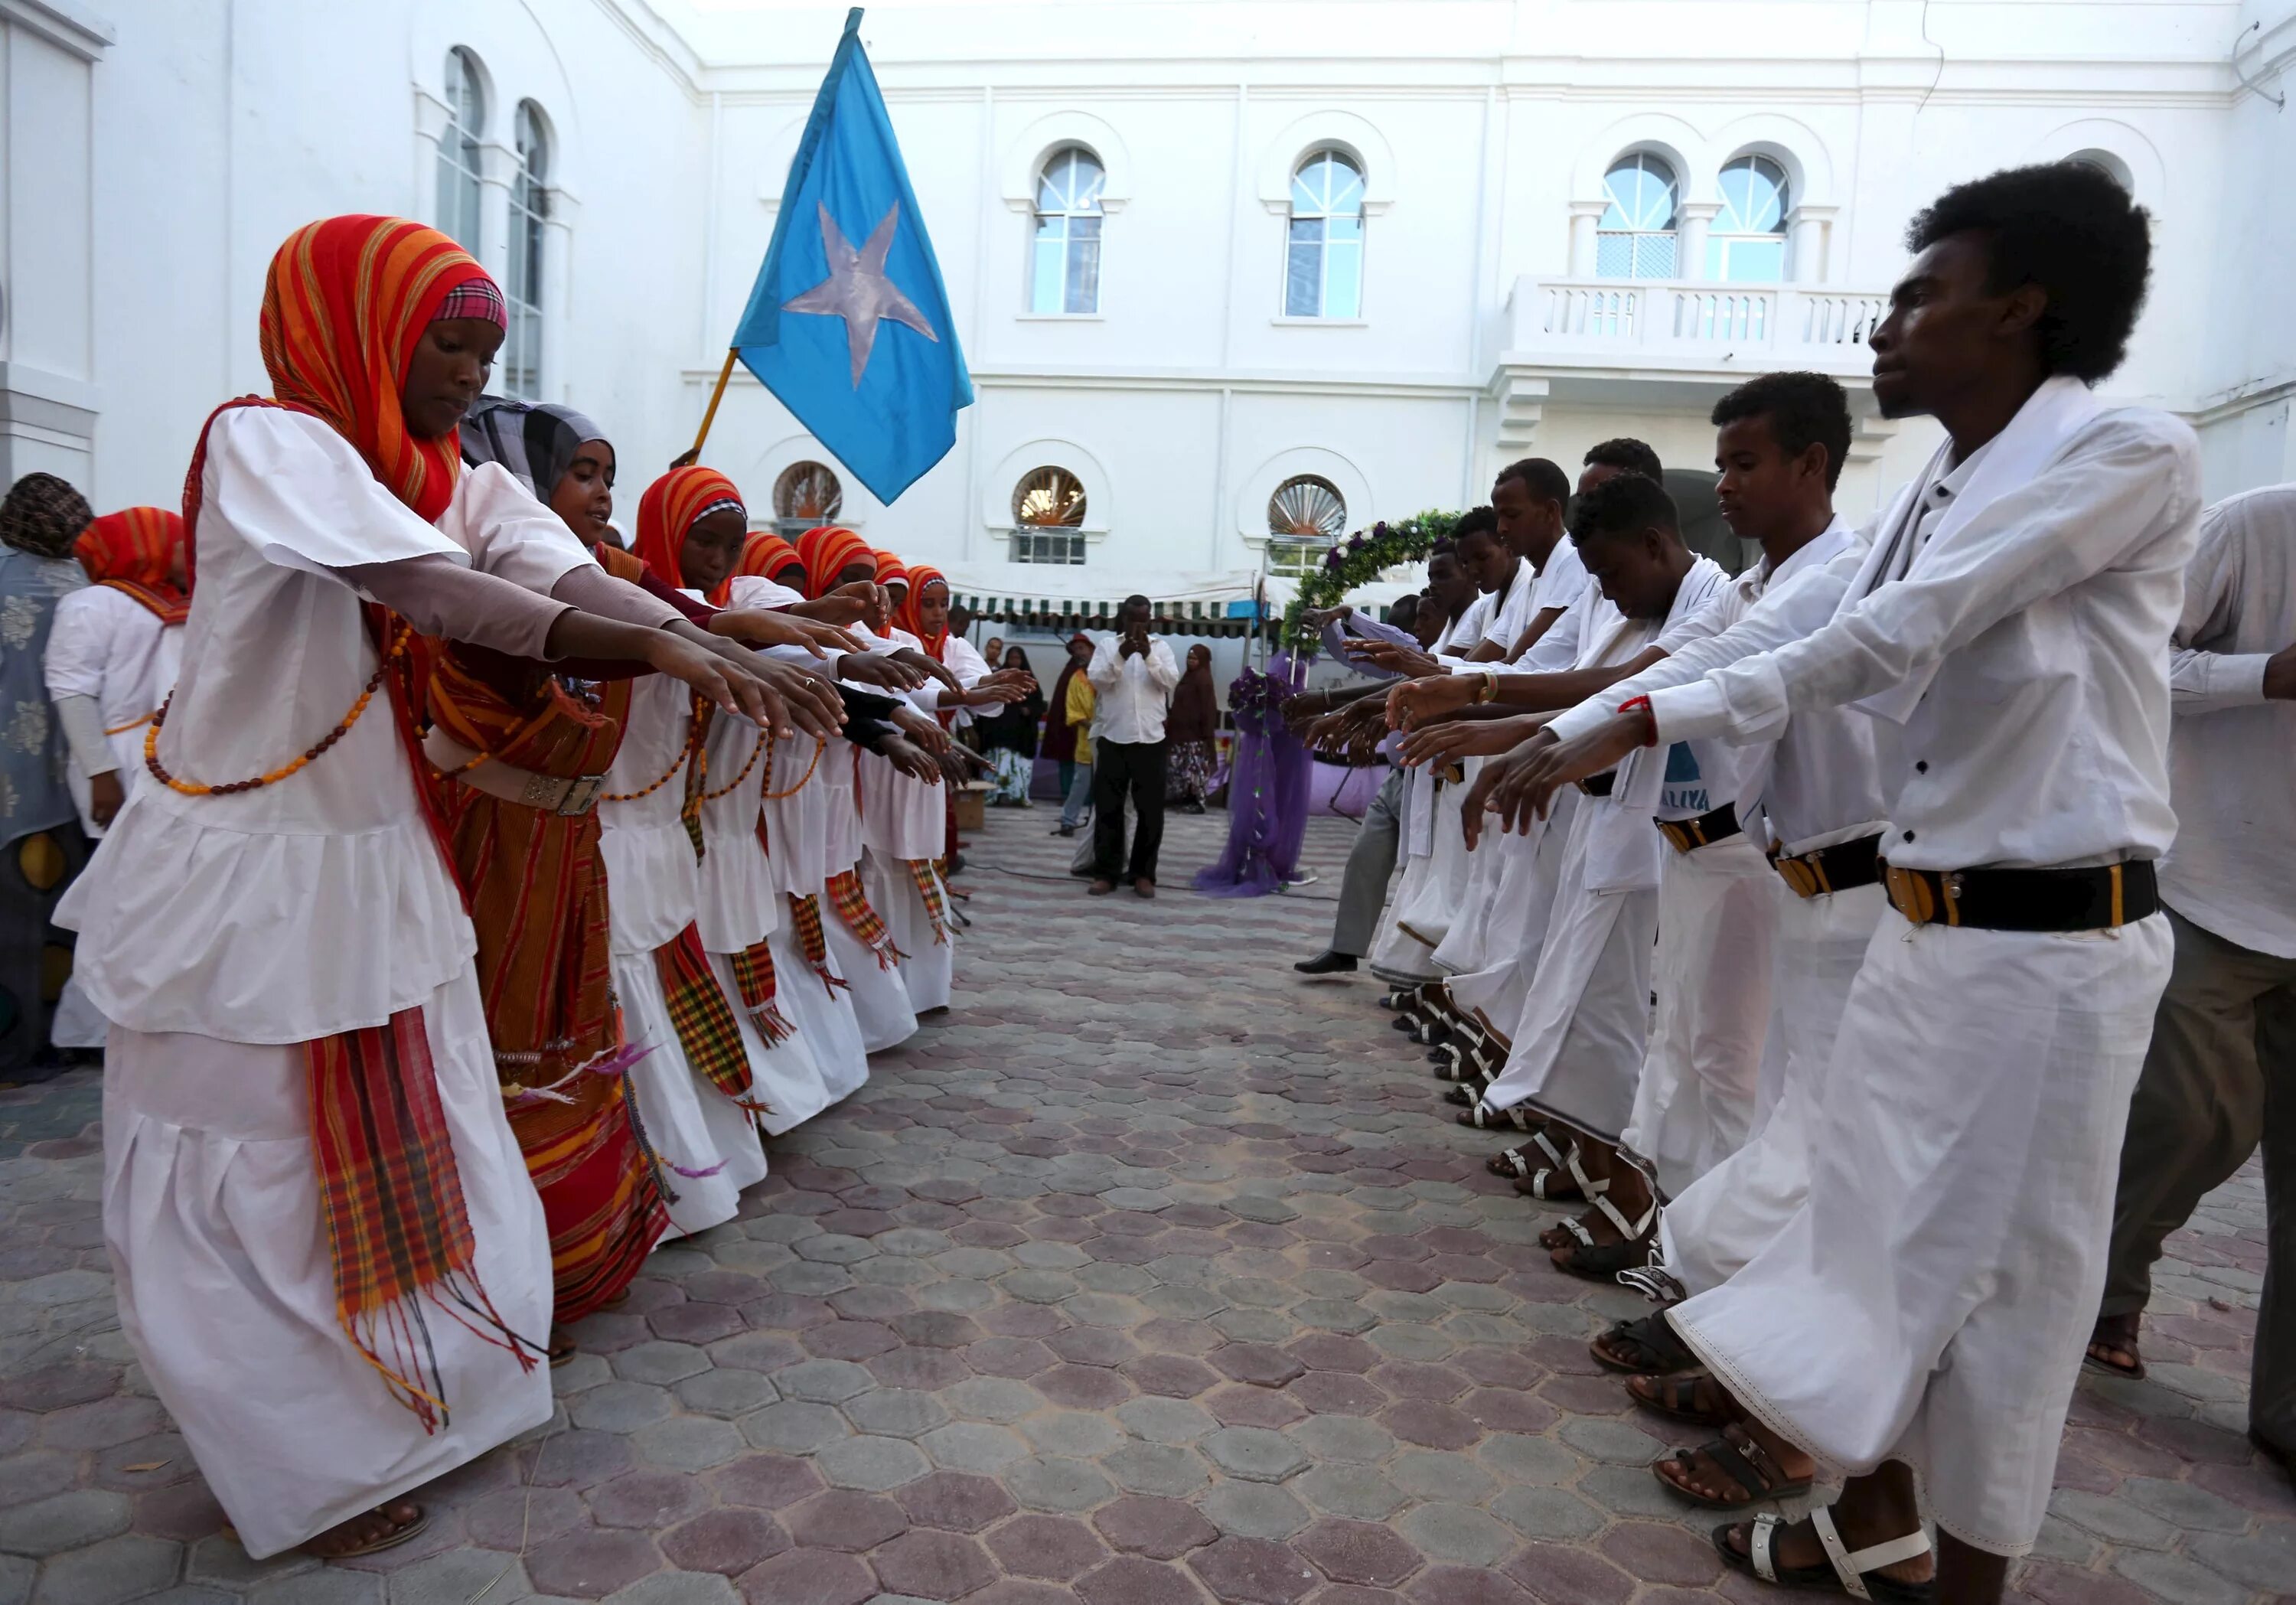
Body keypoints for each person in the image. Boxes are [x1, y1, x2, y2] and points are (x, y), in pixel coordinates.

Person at [60, 214, 811, 1561]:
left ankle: (406, 1404)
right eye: (445, 346)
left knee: (409, 1124)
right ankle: (297, 1459)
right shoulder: (267, 439)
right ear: (353, 334)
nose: (471, 377)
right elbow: (440, 592)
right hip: (245, 875)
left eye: (484, 351)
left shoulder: (441, 468)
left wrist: (684, 630)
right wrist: (675, 651)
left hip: (366, 856)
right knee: (259, 1164)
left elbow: (548, 564)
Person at [1508, 163, 2190, 1602]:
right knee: (1860, 1244)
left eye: (1920, 296)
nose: (1885, 327)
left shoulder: (2132, 451)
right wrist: (1576, 723)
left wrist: (1621, 723)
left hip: (2053, 949)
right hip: (1922, 932)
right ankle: (1865, 1511)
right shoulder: (1927, 486)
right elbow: (1772, 646)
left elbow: (1892, 636)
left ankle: (1968, 1577)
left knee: (2011, 1296)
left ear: (2022, 308)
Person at [2088, 481, 2296, 1482]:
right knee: (2192, 1115)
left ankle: (2287, 1412)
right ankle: (2107, 1284)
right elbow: (2138, 660)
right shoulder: (2255, 527)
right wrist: (2269, 675)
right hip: (2213, 880)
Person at [0, 475, 93, 1074]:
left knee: (12, 924)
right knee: (66, 916)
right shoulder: (93, 589)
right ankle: (61, 1034)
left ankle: (14, 1046)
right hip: (83, 786)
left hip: (12, 792)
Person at [1087, 594, 1179, 896]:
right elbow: (1098, 681)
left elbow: (1170, 681)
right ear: (1123, 618)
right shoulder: (1107, 647)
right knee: (1109, 809)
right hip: (1114, 738)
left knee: (1150, 812)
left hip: (1151, 740)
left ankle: (1143, 874)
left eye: (1143, 619)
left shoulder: (1162, 648)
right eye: (1132, 618)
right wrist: (1121, 657)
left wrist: (1148, 657)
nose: (1138, 624)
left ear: (1149, 620)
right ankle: (1107, 873)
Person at [978, 646, 1046, 806]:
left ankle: (1019, 796)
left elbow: (1039, 705)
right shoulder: (998, 679)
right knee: (999, 762)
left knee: (1019, 765)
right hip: (1000, 734)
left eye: (1017, 659)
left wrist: (1029, 710)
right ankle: (995, 795)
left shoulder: (1030, 681)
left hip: (1021, 735)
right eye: (1012, 659)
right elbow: (987, 700)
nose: (1014, 662)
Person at [1044, 631, 1093, 832]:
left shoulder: (1108, 676)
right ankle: (1068, 821)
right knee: (1080, 783)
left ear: (1092, 650)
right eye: (1076, 650)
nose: (1080, 653)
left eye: (1083, 648)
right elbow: (1072, 711)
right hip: (1086, 739)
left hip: (1110, 739)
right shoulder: (1075, 678)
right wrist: (1089, 724)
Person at [1165, 644, 1220, 813]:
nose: (1191, 661)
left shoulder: (1203, 679)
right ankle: (1182, 798)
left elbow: (1208, 708)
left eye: (1195, 659)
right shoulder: (1188, 677)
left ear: (1202, 661)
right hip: (1181, 733)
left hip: (1195, 734)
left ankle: (1197, 802)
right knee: (1182, 768)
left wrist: (1206, 733)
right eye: (1189, 658)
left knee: (1194, 769)